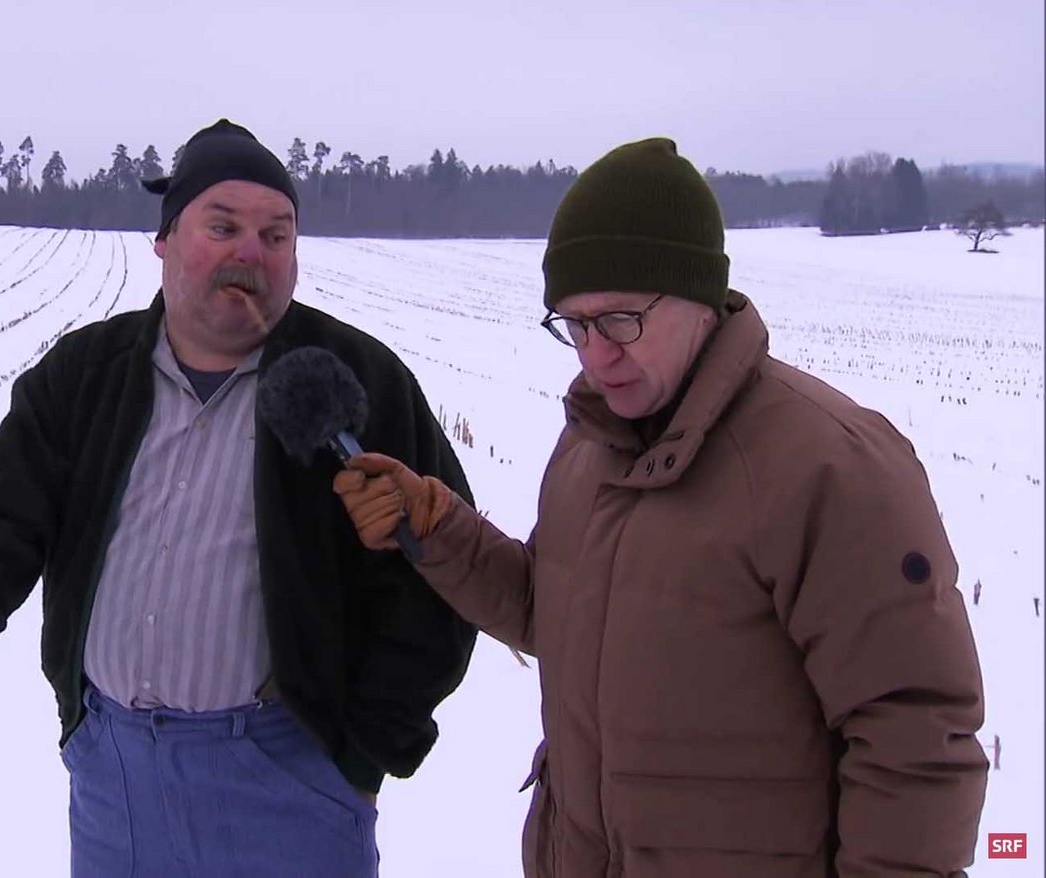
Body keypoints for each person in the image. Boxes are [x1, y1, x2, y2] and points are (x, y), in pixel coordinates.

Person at [0, 118, 477, 878]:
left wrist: (357, 755)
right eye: (222, 225)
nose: (250, 250)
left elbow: (446, 575)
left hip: (290, 783)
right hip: (113, 780)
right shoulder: (89, 375)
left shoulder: (356, 382)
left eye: (275, 234)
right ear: (165, 238)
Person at [333, 138, 988, 876]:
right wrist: (438, 527)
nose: (595, 355)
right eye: (574, 326)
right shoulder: (591, 448)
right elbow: (558, 614)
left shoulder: (829, 468)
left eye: (618, 319)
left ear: (700, 297)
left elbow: (915, 738)